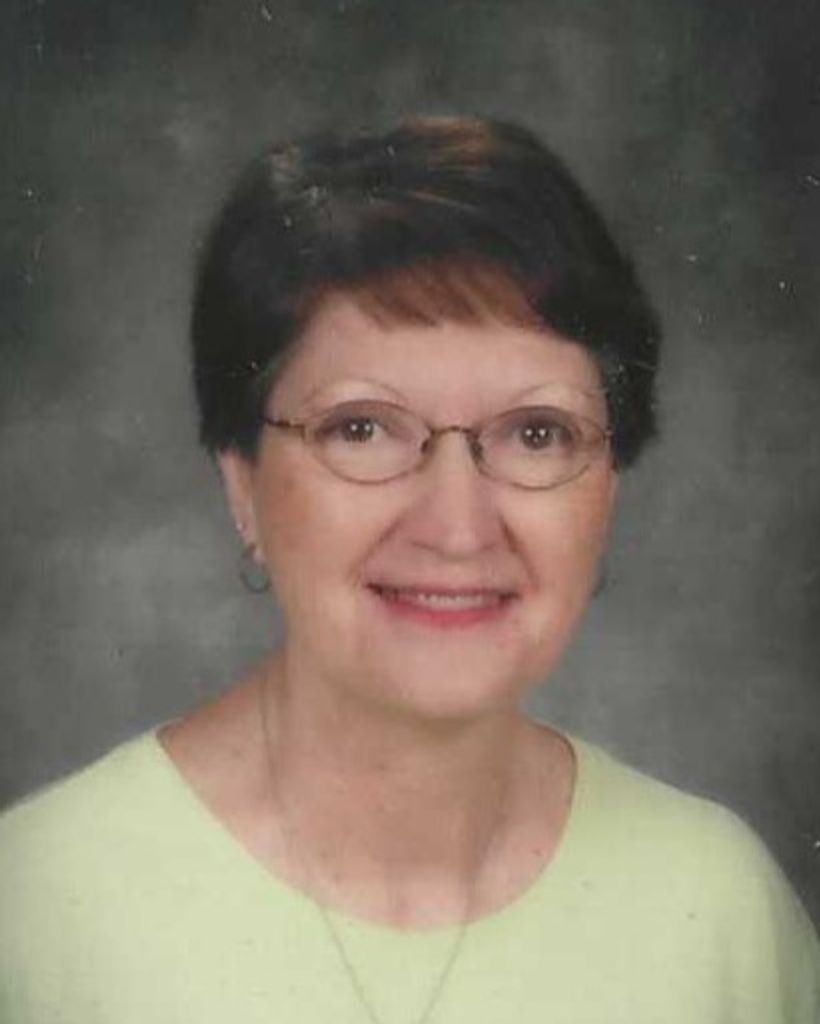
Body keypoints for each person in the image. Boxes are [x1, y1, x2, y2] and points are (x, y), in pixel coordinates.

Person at [0, 116, 817, 1023]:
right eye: (362, 429)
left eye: (537, 433)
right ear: (243, 485)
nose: (458, 528)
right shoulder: (39, 909)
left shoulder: (716, 910)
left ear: (607, 488)